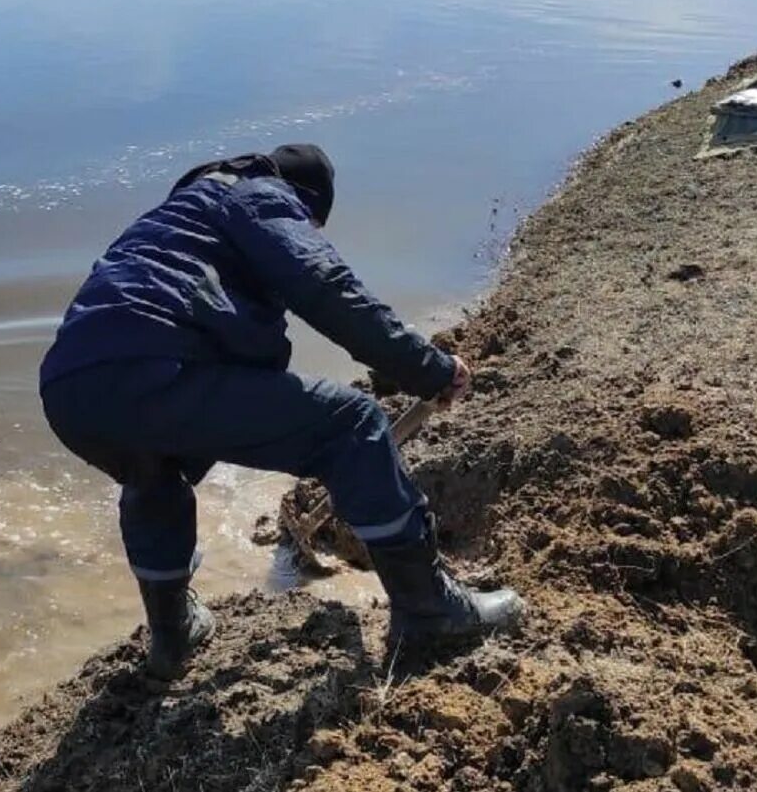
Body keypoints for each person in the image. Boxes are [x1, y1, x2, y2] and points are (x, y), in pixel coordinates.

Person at [38, 143, 523, 678]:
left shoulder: (177, 219)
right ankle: (430, 611)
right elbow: (330, 291)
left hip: (70, 387)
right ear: (308, 204)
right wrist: (427, 369)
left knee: (153, 472)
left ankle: (172, 636)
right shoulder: (262, 198)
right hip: (156, 367)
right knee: (352, 423)